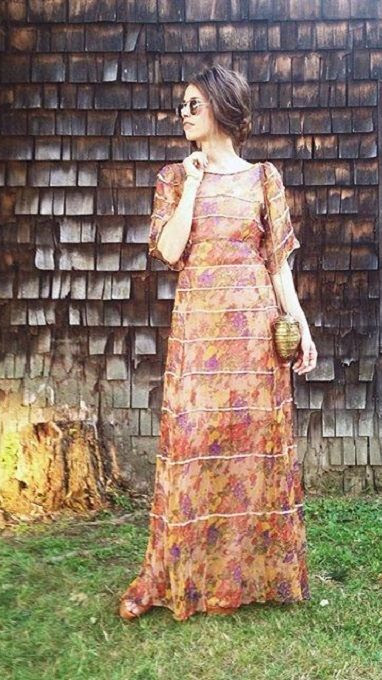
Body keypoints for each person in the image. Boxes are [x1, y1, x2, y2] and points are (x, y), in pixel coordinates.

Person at [118, 64, 318, 622]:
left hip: (253, 333)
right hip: (199, 330)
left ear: (222, 108)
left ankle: (248, 575)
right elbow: (170, 250)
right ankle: (187, 572)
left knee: (251, 448)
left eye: (193, 104)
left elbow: (277, 264)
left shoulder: (264, 179)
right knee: (196, 444)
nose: (183, 114)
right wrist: (194, 183)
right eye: (181, 106)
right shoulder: (173, 178)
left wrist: (300, 325)